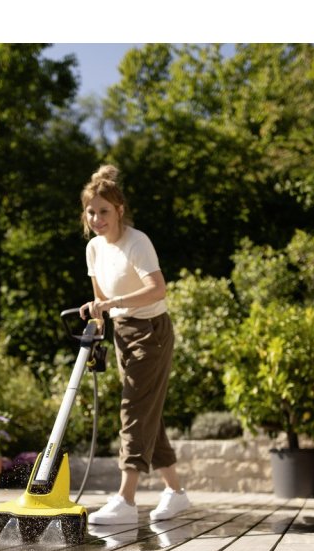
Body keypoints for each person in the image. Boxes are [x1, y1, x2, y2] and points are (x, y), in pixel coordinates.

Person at [78, 165, 191, 524]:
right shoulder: (94, 248)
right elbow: (100, 300)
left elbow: (157, 289)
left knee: (134, 410)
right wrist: (97, 324)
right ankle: (175, 493)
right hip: (122, 332)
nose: (97, 219)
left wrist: (113, 304)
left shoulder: (137, 242)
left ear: (119, 210)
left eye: (104, 211)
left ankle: (126, 499)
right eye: (91, 212)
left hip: (150, 331)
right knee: (148, 411)